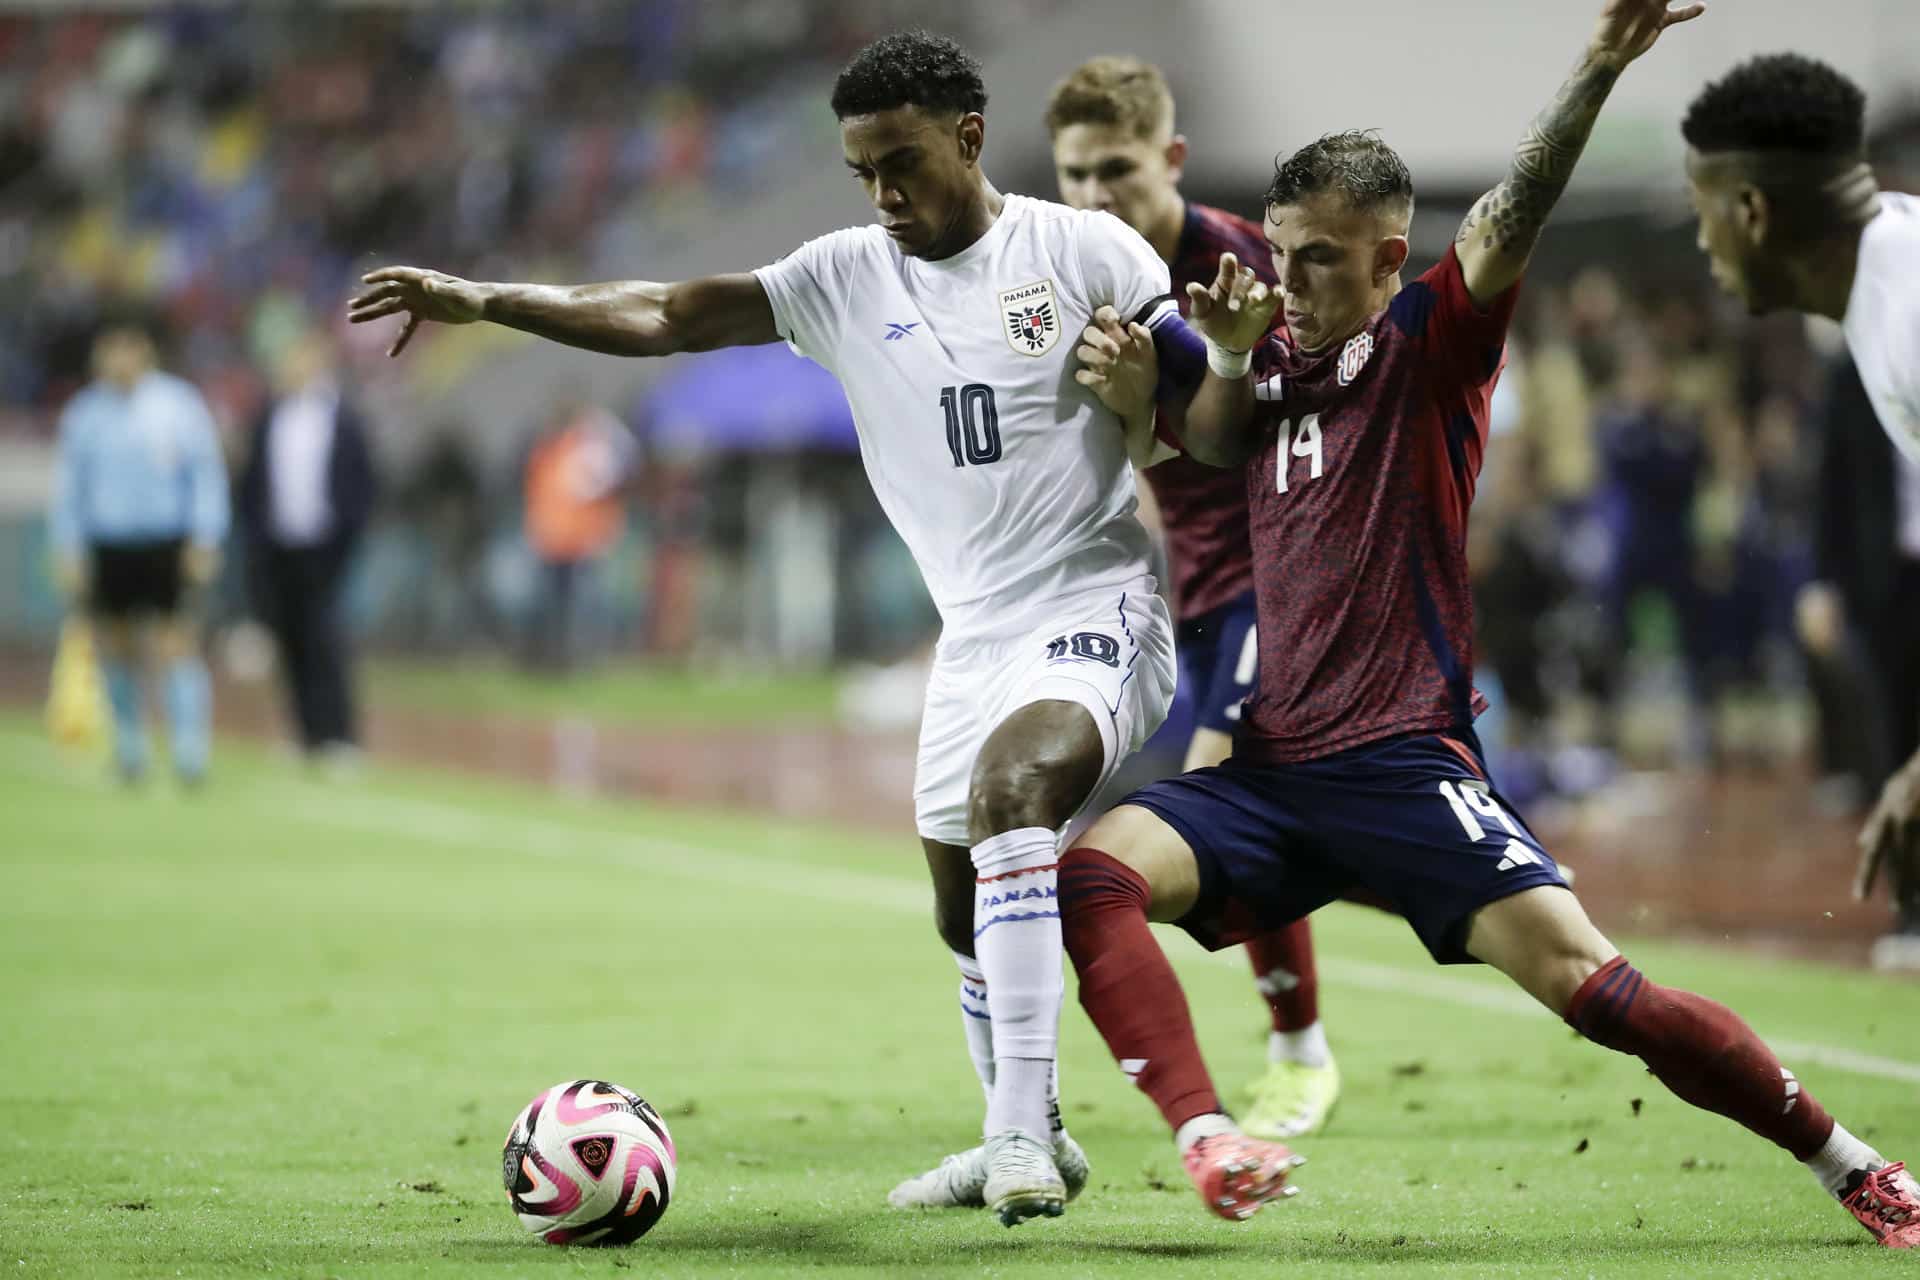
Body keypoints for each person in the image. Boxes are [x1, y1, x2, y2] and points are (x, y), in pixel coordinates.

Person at [1066, 0, 1918, 1247]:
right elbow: (1201, 442)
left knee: (1596, 990)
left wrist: (1595, 66)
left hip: (1408, 763)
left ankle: (1856, 1164)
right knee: (1087, 871)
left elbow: (1512, 212)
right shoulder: (1270, 364)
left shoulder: (1432, 341)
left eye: (1319, 258)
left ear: (1388, 257)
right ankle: (1212, 1134)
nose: (1290, 277)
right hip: (1277, 765)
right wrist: (1233, 359)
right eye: (1284, 248)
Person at [350, 31, 1191, 1226]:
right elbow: (667, 309)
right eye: (862, 172)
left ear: (968, 136)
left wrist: (1172, 382)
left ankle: (1013, 1133)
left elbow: (1213, 421)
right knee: (964, 908)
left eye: (902, 161)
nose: (885, 193)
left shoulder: (1083, 249)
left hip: (1096, 596)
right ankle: (1036, 1130)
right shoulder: (847, 272)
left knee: (1018, 798)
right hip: (974, 635)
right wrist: (489, 300)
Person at [1045, 55, 1338, 1142]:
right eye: (1073, 174)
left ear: (1169, 157)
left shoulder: (1243, 263)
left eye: (1114, 169)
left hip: (1284, 566)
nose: (1091, 196)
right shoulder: (1075, 272)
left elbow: (1298, 418)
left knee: (1219, 789)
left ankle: (1298, 1049)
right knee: (1296, 814)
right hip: (1201, 587)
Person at [1682, 52, 1920, 973]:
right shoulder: (1883, 285)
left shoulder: (1905, 316)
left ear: (1750, 211)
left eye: (1704, 215)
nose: (1703, 246)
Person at [48, 317, 229, 785]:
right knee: (116, 645)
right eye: (108, 350)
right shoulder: (84, 413)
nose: (117, 359)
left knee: (176, 643)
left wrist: (206, 537)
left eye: (125, 349)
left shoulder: (178, 405)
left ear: (143, 351)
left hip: (166, 541)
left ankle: (190, 751)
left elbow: (206, 474)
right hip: (109, 543)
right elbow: (70, 489)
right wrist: (68, 546)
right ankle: (130, 747)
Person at [237, 332, 377, 761]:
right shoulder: (271, 414)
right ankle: (304, 733)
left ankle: (339, 734)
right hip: (279, 545)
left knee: (325, 639)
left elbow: (362, 483)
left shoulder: (343, 416)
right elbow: (251, 480)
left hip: (325, 547)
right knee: (289, 638)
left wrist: (347, 538)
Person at [519, 402, 637, 672]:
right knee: (549, 606)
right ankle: (547, 659)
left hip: (580, 541)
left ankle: (577, 659)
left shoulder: (587, 452)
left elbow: (612, 474)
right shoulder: (548, 453)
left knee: (581, 607)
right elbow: (539, 496)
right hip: (551, 540)